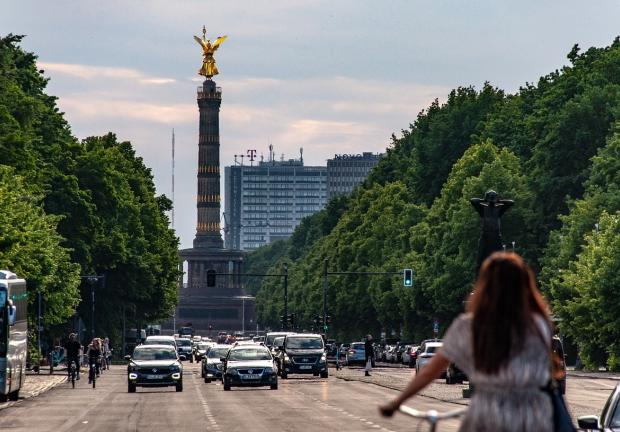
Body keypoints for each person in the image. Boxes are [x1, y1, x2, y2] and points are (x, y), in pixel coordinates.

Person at [379, 252, 555, 432]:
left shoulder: (469, 326)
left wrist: (396, 402)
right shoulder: (540, 324)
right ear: (524, 285)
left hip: (488, 417)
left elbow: (430, 371)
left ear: (485, 286)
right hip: (534, 417)